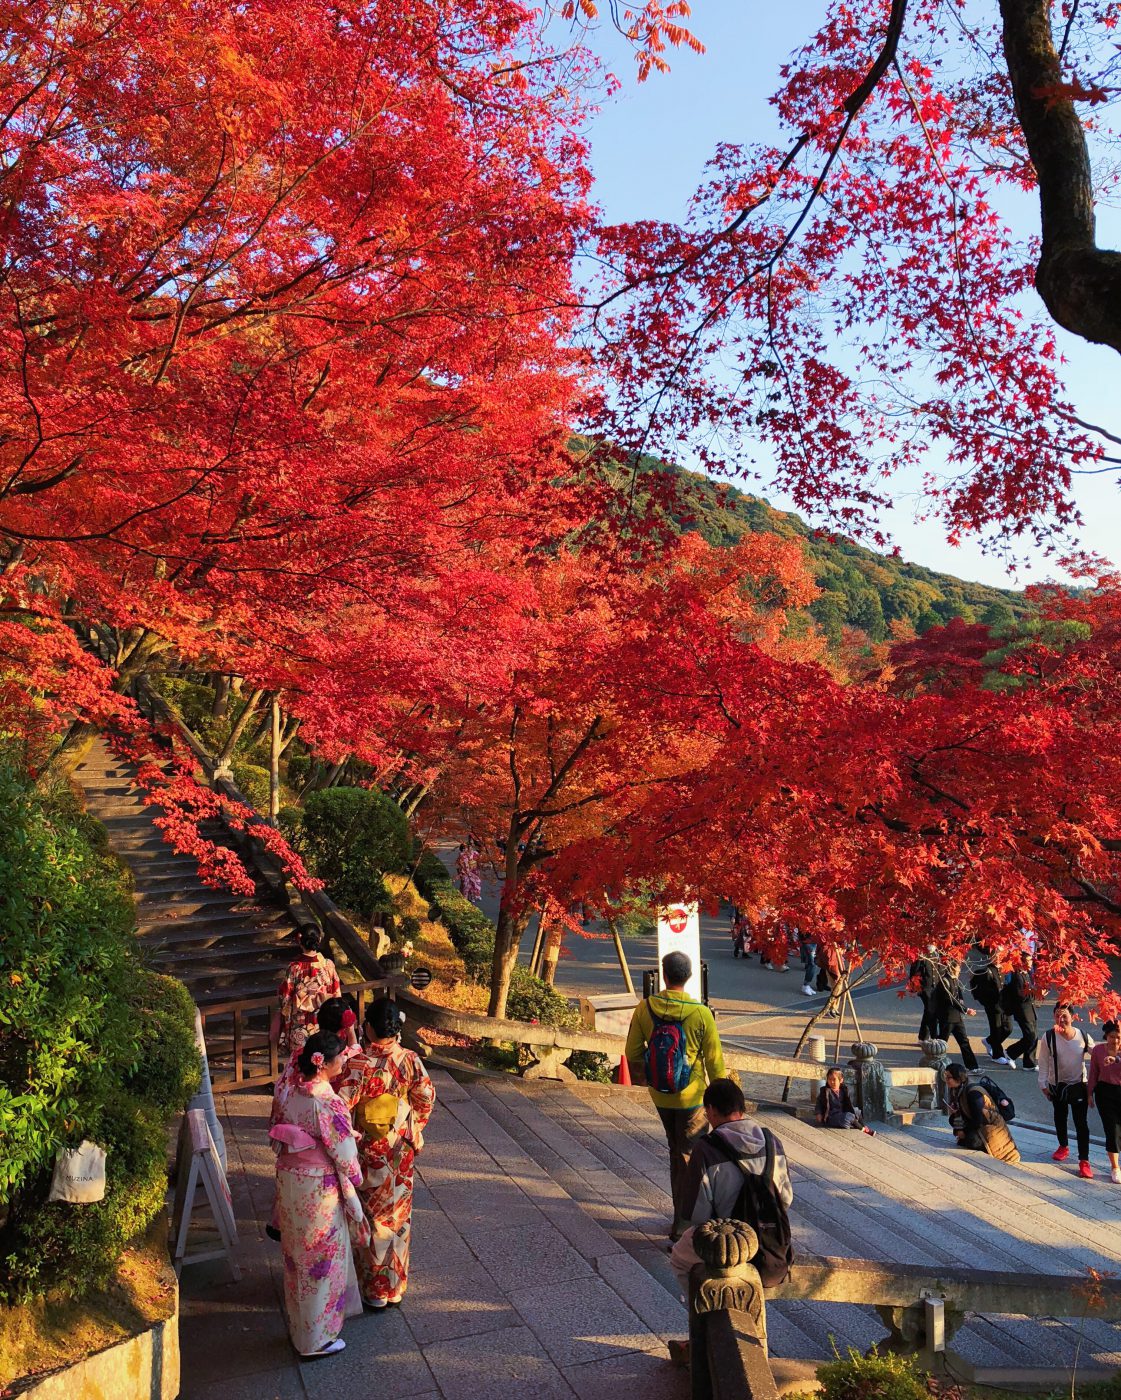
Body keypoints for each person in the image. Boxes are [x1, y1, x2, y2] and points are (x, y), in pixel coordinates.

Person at [270, 1030, 369, 1358]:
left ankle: (300, 1328)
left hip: (290, 1181)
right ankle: (316, 1340)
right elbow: (343, 1151)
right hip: (318, 1187)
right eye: (340, 1056)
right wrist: (356, 1176)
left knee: (296, 1255)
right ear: (322, 1063)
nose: (344, 1060)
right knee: (321, 1260)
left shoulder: (292, 1089)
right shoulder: (327, 1100)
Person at [336, 997, 436, 1306]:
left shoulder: (357, 1063)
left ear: (367, 1028)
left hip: (368, 1149)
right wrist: (412, 1129)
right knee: (398, 1218)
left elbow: (341, 1105)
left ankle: (375, 1289)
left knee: (372, 1218)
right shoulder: (409, 1059)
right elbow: (425, 1097)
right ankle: (395, 1287)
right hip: (399, 1148)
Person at [625, 951, 726, 1239]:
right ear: (690, 976)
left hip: (660, 1095)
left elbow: (632, 1052)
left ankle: (680, 1216)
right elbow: (715, 1063)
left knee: (675, 1152)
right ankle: (685, 1224)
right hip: (692, 1097)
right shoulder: (701, 1013)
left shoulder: (645, 1008)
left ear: (664, 975)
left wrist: (656, 1072)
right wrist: (721, 1103)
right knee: (690, 1156)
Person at [669, 1078, 793, 1297]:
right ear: (742, 1109)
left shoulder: (706, 1148)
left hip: (728, 1242)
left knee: (679, 1257)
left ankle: (704, 1313)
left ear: (711, 1110)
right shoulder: (771, 1140)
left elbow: (696, 1214)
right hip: (771, 1243)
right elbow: (785, 1198)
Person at [266, 996, 361, 1242]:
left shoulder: (302, 1055)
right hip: (321, 1173)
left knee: (296, 1242)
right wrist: (355, 1174)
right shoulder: (345, 1059)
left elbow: (281, 1092)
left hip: (290, 1159)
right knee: (321, 1248)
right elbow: (344, 1151)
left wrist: (281, 1130)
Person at [1038, 1004, 1095, 1178]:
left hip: (1079, 1085)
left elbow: (1097, 1054)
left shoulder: (1083, 1036)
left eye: (1064, 1016)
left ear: (1073, 1017)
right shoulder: (1048, 1037)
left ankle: (1084, 1161)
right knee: (1060, 1117)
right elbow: (1043, 1063)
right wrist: (1043, 1085)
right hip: (1058, 1086)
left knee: (1081, 1124)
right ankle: (1063, 1146)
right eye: (1057, 1016)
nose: (1061, 1020)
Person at [275, 923, 341, 1055]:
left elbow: (285, 999)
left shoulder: (294, 968)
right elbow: (336, 995)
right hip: (323, 1025)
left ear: (300, 940)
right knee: (323, 1064)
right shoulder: (328, 966)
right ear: (320, 940)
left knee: (301, 1066)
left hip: (300, 1026)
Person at [942, 1064, 1020, 1163]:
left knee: (972, 1141)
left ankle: (978, 1142)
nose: (946, 1080)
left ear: (958, 1078)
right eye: (945, 1076)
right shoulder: (956, 1089)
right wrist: (958, 1129)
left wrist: (964, 1131)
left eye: (949, 1077)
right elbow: (959, 1114)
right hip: (976, 1121)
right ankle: (968, 1137)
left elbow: (977, 1120)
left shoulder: (974, 1094)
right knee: (952, 1119)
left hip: (989, 1125)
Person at [1088, 1021, 1121, 1186]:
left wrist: (1116, 1060)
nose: (1115, 1040)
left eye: (1118, 1037)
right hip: (1104, 1093)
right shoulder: (1098, 1050)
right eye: (1111, 1037)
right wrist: (1089, 1093)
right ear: (1106, 1036)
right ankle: (1115, 1166)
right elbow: (1093, 1071)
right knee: (1112, 1129)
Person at [932, 958, 979, 1070]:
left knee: (964, 1042)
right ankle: (934, 1063)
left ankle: (972, 1066)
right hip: (947, 1017)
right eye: (958, 969)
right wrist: (966, 1009)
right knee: (942, 1043)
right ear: (952, 968)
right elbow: (951, 999)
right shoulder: (945, 981)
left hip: (957, 1017)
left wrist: (962, 1004)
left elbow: (959, 994)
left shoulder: (954, 979)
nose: (959, 971)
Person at [970, 956, 1011, 1065]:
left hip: (1004, 1005)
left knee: (1008, 1028)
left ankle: (989, 1041)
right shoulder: (987, 971)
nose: (999, 958)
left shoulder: (1004, 969)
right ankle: (997, 1055)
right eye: (996, 955)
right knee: (996, 1030)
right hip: (993, 1006)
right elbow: (983, 992)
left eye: (1001, 955)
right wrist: (992, 1001)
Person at [815, 1067, 876, 1135]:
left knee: (856, 1111)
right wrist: (818, 1113)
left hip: (842, 1112)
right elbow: (819, 1103)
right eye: (829, 1079)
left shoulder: (844, 1090)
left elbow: (848, 1103)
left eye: (834, 1079)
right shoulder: (825, 1091)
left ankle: (863, 1126)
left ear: (841, 1080)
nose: (831, 1082)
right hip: (832, 1116)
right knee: (847, 1117)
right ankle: (863, 1129)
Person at [1001, 963, 1038, 1070]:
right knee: (1030, 1036)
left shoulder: (1026, 973)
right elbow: (1020, 995)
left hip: (1030, 1009)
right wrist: (1035, 993)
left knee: (1034, 1036)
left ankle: (1029, 1063)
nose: (1031, 962)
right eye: (1028, 959)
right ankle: (1010, 1052)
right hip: (1022, 1011)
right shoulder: (1016, 975)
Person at [909, 950, 940, 1041]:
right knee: (931, 1011)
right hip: (924, 988)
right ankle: (934, 1036)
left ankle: (923, 1037)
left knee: (928, 1012)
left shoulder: (936, 953)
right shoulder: (922, 955)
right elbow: (914, 972)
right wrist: (914, 987)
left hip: (935, 988)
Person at [798, 929, 818, 997]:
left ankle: (807, 985)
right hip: (808, 941)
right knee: (812, 964)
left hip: (813, 939)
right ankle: (806, 985)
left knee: (813, 963)